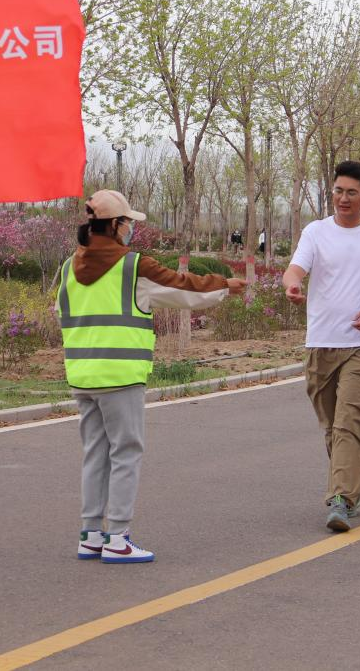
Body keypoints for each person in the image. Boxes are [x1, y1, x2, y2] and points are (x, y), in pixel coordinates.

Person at [59, 190, 245, 563]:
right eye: (127, 223)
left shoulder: (68, 268)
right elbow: (183, 289)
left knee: (95, 453)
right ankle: (118, 538)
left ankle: (91, 534)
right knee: (126, 453)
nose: (131, 230)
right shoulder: (132, 267)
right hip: (121, 375)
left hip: (82, 375)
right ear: (114, 226)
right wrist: (224, 285)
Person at [283, 160, 360, 532]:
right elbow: (296, 268)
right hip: (320, 343)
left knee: (348, 421)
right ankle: (349, 486)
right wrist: (292, 284)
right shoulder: (316, 232)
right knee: (331, 426)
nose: (343, 198)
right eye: (338, 190)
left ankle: (340, 498)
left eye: (351, 192)